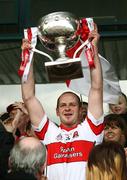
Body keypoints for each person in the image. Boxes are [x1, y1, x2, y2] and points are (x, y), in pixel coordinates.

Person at [21, 23, 104, 180]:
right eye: (63, 105)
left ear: (81, 110)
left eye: (72, 104)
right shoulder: (48, 132)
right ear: (57, 111)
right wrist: (28, 58)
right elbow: (28, 97)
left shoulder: (92, 129)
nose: (67, 108)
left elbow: (96, 89)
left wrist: (93, 49)